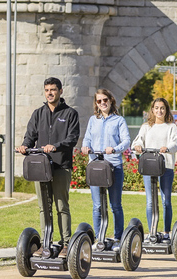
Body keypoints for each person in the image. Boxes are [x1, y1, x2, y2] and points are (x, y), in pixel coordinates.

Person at [17, 77, 80, 258]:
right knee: (44, 206)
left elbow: (72, 138)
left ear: (61, 91)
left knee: (61, 206)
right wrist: (24, 146)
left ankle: (66, 244)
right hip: (41, 167)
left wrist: (56, 146)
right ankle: (46, 243)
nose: (50, 93)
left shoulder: (70, 114)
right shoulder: (38, 113)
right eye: (47, 90)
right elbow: (30, 136)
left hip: (61, 165)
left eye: (53, 90)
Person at [81, 89, 131, 250]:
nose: (102, 103)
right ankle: (99, 238)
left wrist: (114, 149)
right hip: (96, 166)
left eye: (105, 100)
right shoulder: (92, 120)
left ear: (111, 100)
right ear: (96, 104)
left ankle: (117, 238)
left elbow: (126, 141)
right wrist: (85, 146)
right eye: (99, 101)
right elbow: (87, 138)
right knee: (97, 205)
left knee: (115, 205)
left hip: (113, 165)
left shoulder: (119, 120)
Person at [131, 97, 177, 239]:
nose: (159, 110)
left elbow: (175, 144)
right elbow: (138, 140)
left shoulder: (171, 126)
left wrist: (167, 148)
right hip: (149, 166)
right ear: (152, 110)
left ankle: (166, 232)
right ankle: (152, 232)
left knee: (166, 201)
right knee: (150, 201)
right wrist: (138, 146)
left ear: (166, 110)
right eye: (157, 108)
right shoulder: (146, 126)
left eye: (162, 108)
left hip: (166, 166)